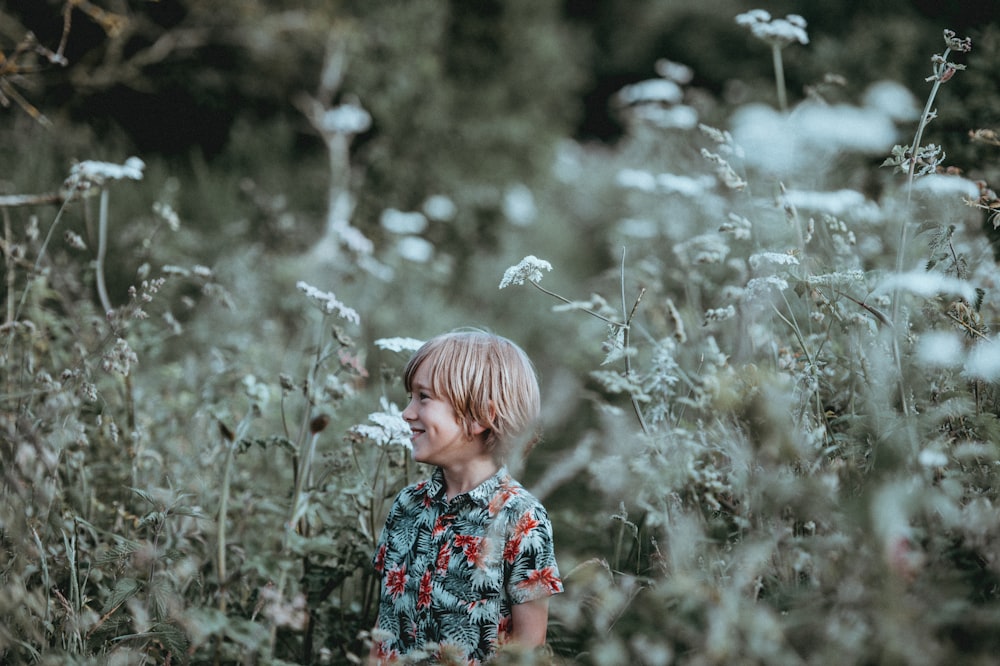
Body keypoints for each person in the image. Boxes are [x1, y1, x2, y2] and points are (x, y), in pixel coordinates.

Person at [369, 329, 563, 665]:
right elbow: (382, 627)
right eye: (409, 396)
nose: (406, 412)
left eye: (423, 397)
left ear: (479, 417)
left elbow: (528, 650)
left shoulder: (522, 520)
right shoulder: (406, 506)